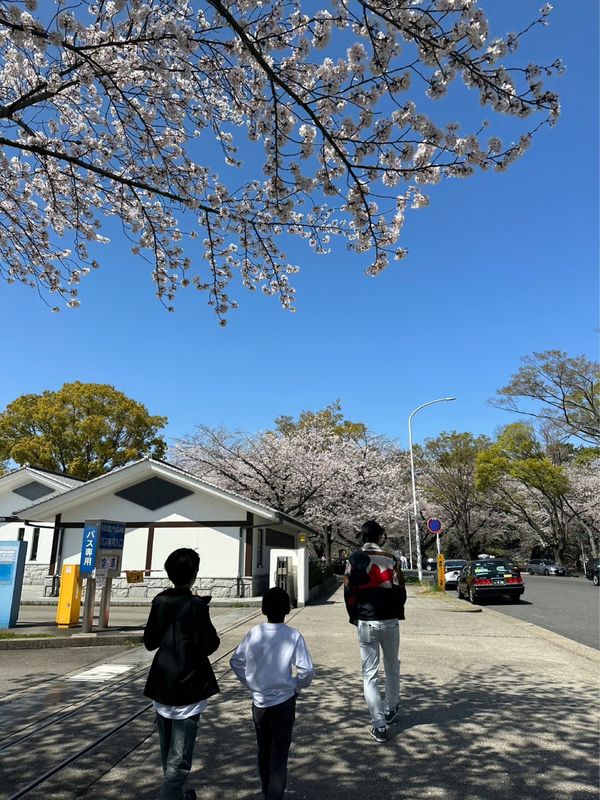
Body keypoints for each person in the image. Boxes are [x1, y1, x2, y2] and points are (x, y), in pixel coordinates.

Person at [143, 548, 220, 800]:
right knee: (181, 755)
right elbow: (211, 644)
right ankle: (171, 794)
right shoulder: (196, 605)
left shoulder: (160, 602)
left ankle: (176, 793)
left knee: (168, 750)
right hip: (190, 684)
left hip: (162, 681)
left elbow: (150, 642)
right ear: (194, 574)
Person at [230, 587, 314, 800]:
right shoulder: (293, 635)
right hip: (284, 700)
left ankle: (266, 790)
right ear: (288, 609)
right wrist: (296, 685)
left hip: (259, 701)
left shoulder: (254, 633)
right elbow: (307, 670)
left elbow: (236, 661)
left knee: (264, 750)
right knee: (279, 757)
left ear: (263, 609)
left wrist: (250, 683)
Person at [344, 520, 406, 743]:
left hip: (366, 621)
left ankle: (379, 725)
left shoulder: (353, 559)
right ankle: (391, 708)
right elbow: (401, 590)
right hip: (390, 621)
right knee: (392, 666)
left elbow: (349, 591)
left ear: (362, 537)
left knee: (369, 674)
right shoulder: (391, 559)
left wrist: (354, 615)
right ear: (380, 537)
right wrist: (397, 610)